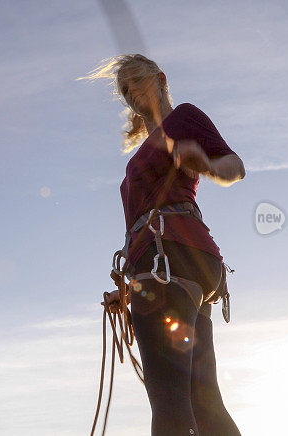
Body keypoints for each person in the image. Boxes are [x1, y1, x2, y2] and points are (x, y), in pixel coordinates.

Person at [80, 54, 245, 435]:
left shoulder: (182, 118)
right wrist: (132, 286)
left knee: (169, 399)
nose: (131, 93)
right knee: (205, 403)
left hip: (167, 258)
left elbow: (234, 167)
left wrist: (203, 161)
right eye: (124, 89)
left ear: (161, 78)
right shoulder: (149, 145)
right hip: (180, 265)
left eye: (136, 81)